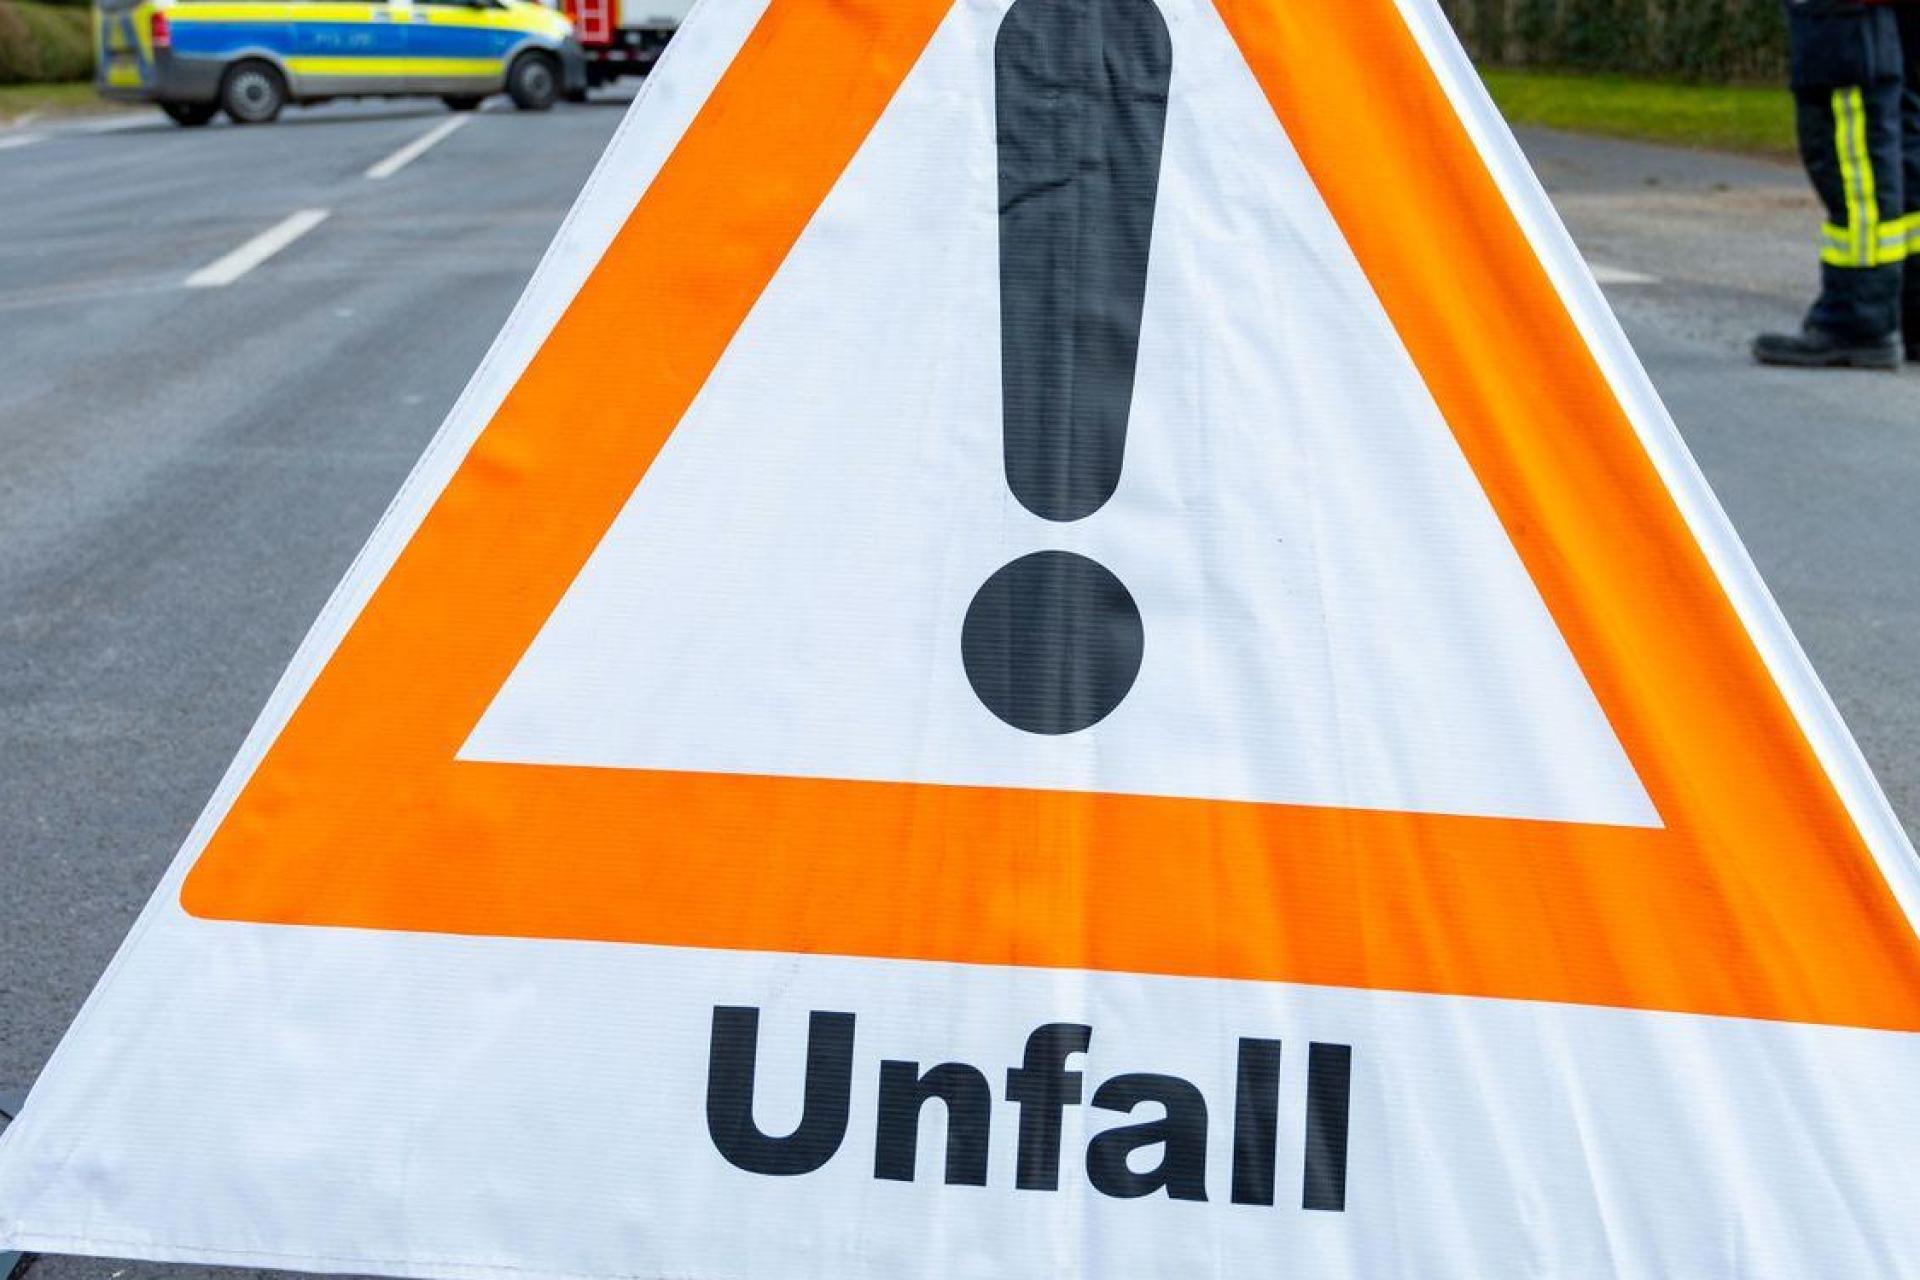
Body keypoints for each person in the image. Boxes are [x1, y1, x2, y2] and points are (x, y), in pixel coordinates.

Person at [1755, 0, 1920, 368]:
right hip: (1877, 25)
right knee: (1901, 146)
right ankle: (1904, 306)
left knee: (1855, 165)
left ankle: (1859, 317)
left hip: (1846, 25)